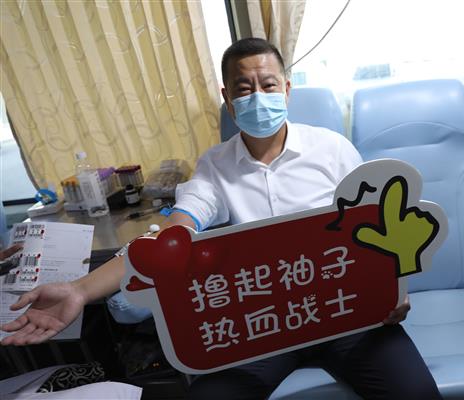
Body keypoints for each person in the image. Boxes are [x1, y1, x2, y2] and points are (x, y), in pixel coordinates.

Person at [1, 38, 441, 400]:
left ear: (287, 90)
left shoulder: (333, 150)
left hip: (346, 313)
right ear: (228, 99)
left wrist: (393, 289)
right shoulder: (214, 166)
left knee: (417, 394)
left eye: (268, 85)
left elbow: (380, 229)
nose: (258, 96)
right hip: (262, 324)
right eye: (244, 88)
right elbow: (170, 237)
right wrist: (80, 290)